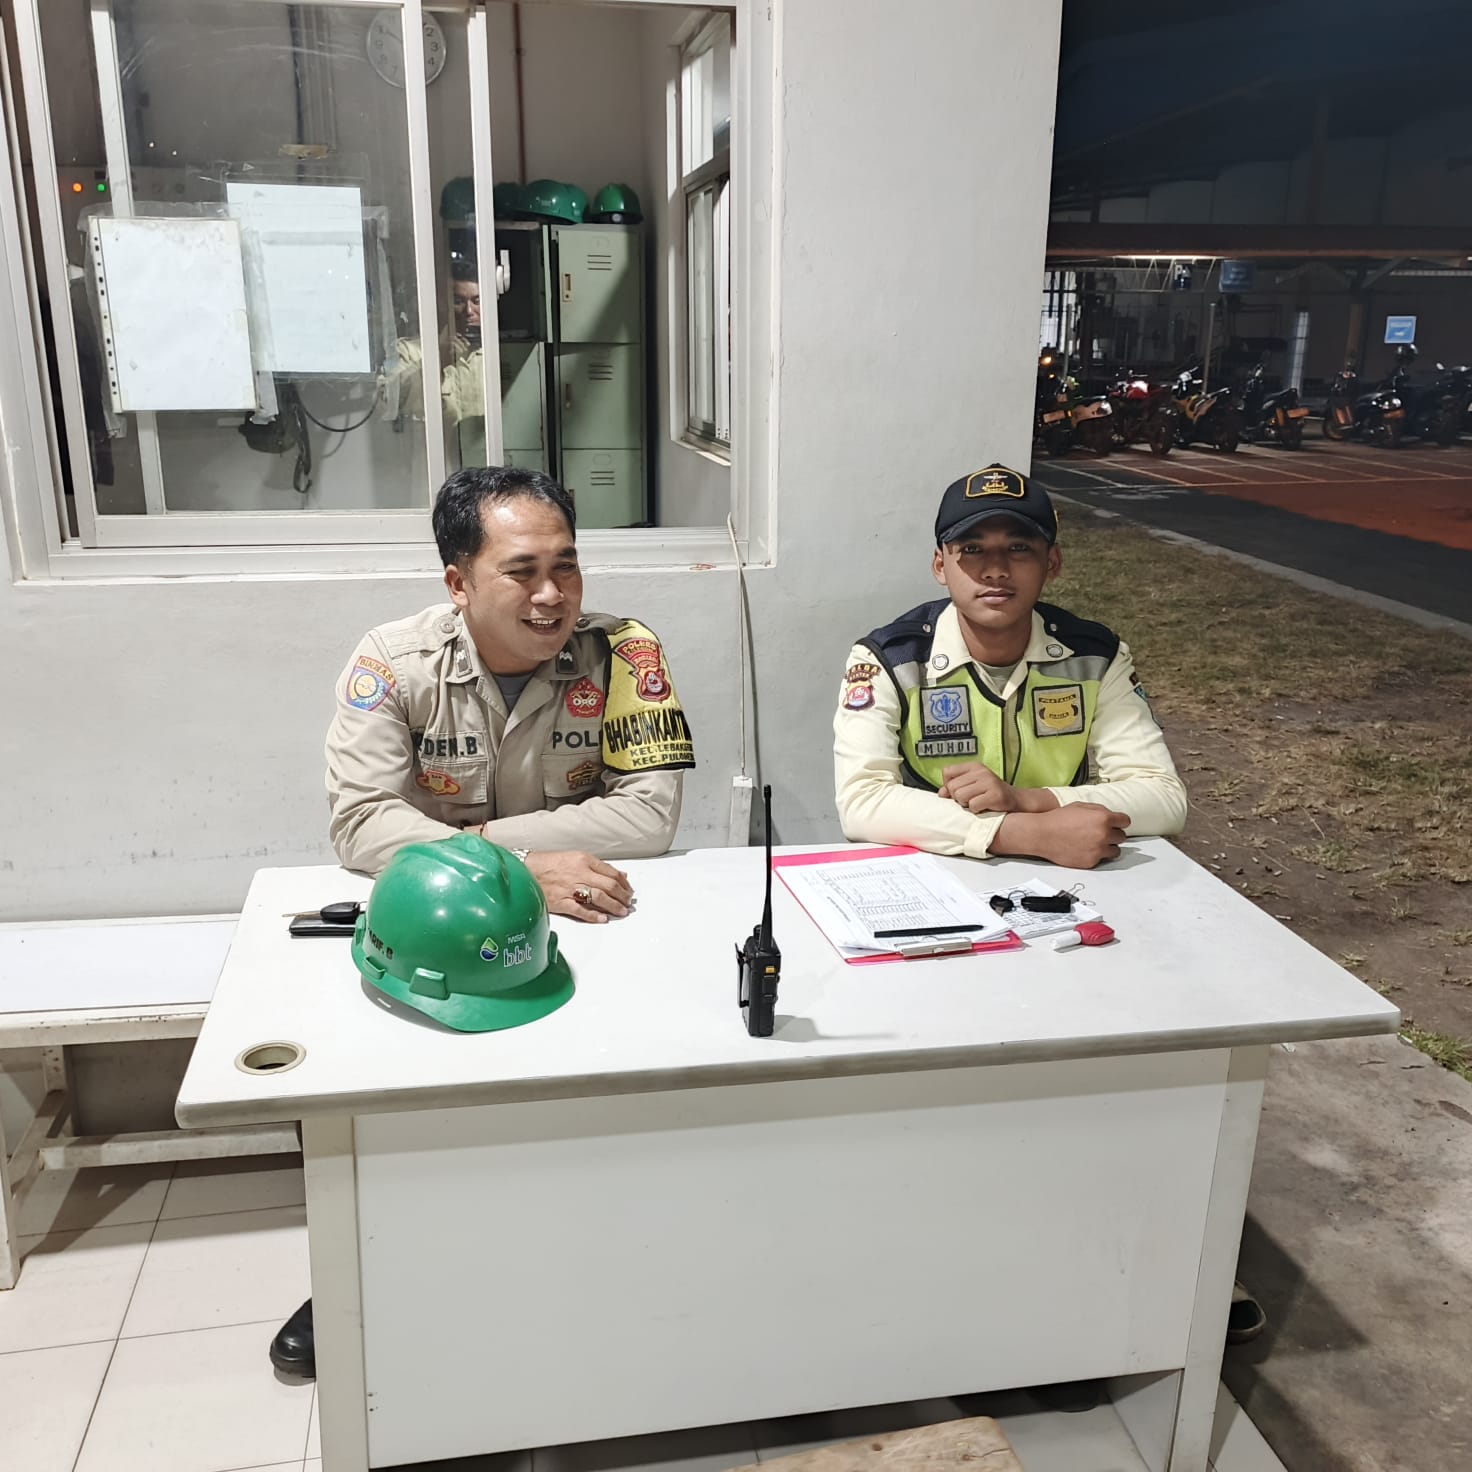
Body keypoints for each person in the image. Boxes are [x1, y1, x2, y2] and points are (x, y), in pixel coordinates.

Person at [270, 464, 693, 1379]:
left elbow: (651, 814)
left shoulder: (625, 654)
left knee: (609, 1087)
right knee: (401, 1099)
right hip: (440, 936)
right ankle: (355, 1275)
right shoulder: (392, 663)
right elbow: (360, 824)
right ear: (458, 582)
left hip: (585, 924)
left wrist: (480, 847)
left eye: (566, 566)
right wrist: (519, 868)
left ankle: (581, 1266)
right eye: (522, 571)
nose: (552, 595)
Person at [833, 463, 1187, 866]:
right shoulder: (892, 658)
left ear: (1052, 563)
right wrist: (1024, 833)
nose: (996, 570)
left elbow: (1164, 797)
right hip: (936, 871)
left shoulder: (1094, 657)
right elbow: (861, 802)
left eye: (1019, 548)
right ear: (940, 565)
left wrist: (1027, 800)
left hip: (1070, 874)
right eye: (972, 549)